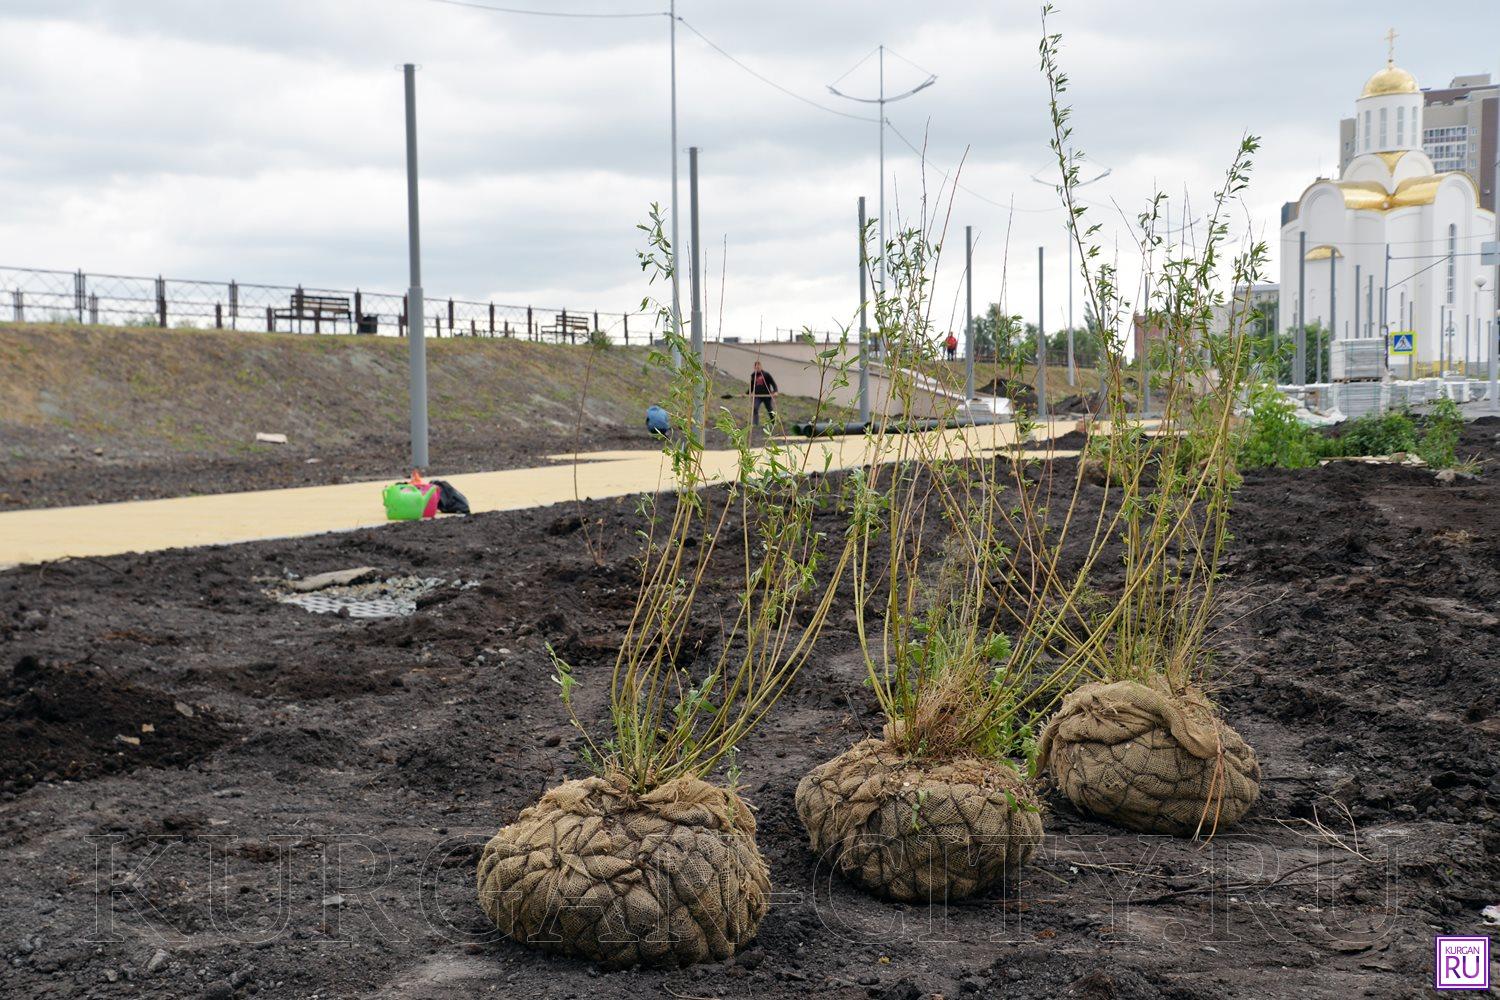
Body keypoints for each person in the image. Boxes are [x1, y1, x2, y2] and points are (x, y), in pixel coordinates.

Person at [748, 361, 778, 427]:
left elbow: (773, 383)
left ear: (761, 366)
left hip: (766, 395)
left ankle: (773, 423)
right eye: (756, 367)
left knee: (769, 409)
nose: (757, 368)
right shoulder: (753, 375)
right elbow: (752, 386)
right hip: (757, 396)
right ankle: (755, 424)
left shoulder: (766, 374)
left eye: (759, 366)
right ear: (754, 367)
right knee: (755, 408)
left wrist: (775, 391)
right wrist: (747, 393)